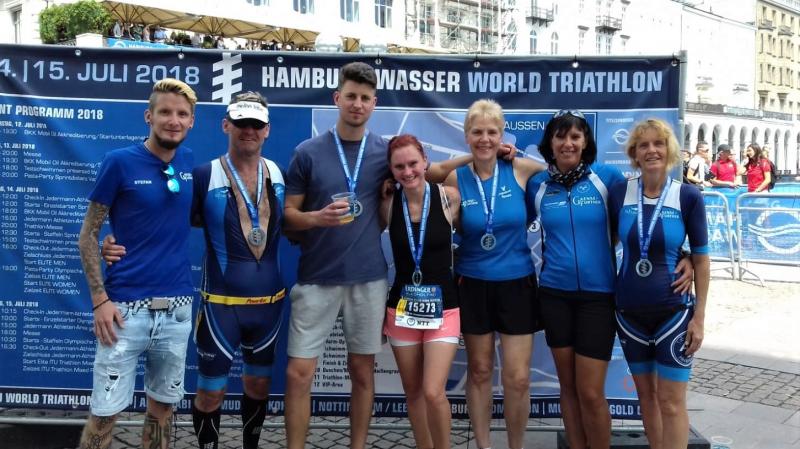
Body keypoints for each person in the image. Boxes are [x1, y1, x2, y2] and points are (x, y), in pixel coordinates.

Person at [282, 61, 471, 449]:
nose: (357, 104)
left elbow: (433, 170)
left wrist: (486, 153)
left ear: (374, 103)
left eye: (365, 98)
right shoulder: (307, 152)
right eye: (351, 96)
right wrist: (316, 218)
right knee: (298, 374)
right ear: (337, 98)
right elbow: (287, 216)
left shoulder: (386, 153)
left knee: (362, 372)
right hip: (316, 278)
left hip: (368, 280)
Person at [101, 92, 285, 449]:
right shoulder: (203, 174)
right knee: (210, 393)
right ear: (226, 125)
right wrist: (111, 240)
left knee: (259, 386)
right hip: (221, 308)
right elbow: (161, 218)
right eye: (241, 122)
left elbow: (292, 222)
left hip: (269, 306)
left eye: (256, 124)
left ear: (267, 130)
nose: (249, 130)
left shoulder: (278, 173)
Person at [77, 78, 197, 449]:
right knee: (104, 414)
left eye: (182, 114)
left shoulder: (191, 164)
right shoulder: (119, 161)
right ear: (149, 116)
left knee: (162, 411)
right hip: (124, 311)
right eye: (165, 112)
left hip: (177, 308)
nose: (173, 120)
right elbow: (88, 235)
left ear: (191, 121)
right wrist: (99, 300)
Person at [443, 99, 544, 449]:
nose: (484, 139)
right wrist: (468, 159)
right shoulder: (457, 177)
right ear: (467, 136)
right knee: (480, 371)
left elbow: (555, 172)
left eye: (491, 132)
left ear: (502, 136)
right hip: (472, 283)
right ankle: (483, 445)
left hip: (517, 283)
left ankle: (516, 445)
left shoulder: (520, 169)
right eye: (477, 132)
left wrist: (512, 154)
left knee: (517, 378)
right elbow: (425, 175)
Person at [610, 118, 710, 449]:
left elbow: (702, 259)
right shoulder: (619, 193)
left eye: (659, 143)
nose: (652, 150)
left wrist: (699, 318)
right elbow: (608, 243)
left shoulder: (688, 196)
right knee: (647, 400)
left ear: (670, 150)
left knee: (671, 401)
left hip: (674, 314)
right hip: (629, 316)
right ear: (634, 153)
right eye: (644, 145)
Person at [380, 134, 462, 449]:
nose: (408, 171)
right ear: (391, 170)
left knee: (432, 391)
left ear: (425, 161)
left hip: (444, 309)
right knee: (413, 392)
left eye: (413, 163)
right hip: (402, 309)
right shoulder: (388, 203)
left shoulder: (449, 197)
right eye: (399, 167)